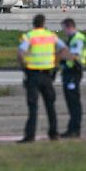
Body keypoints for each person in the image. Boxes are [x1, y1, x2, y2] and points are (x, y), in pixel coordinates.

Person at [17, 14, 67, 143]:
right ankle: (53, 133)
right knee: (50, 105)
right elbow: (63, 49)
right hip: (47, 75)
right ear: (44, 23)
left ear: (33, 23)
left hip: (33, 74)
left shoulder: (29, 36)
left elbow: (21, 52)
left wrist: (24, 67)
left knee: (33, 106)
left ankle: (30, 136)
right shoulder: (51, 36)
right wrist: (56, 62)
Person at [60, 18, 86, 138]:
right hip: (68, 72)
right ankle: (72, 128)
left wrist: (62, 53)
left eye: (64, 29)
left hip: (73, 72)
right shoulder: (71, 39)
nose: (64, 31)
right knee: (71, 101)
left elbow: (74, 56)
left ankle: (75, 129)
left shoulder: (78, 39)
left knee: (74, 101)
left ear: (68, 27)